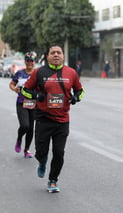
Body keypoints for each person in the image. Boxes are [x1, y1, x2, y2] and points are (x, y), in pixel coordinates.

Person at [21, 45, 84, 193]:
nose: (56, 55)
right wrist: (37, 96)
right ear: (48, 56)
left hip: (62, 121)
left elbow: (80, 91)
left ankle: (53, 180)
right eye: (52, 53)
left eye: (59, 52)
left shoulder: (71, 73)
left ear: (63, 56)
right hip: (43, 119)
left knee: (59, 152)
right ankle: (42, 162)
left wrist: (76, 98)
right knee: (40, 151)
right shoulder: (39, 72)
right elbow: (25, 90)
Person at [9, 52, 37, 158]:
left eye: (32, 61)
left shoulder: (37, 74)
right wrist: (14, 88)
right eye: (28, 61)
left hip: (34, 104)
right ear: (25, 62)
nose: (30, 63)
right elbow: (12, 84)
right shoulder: (20, 73)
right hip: (21, 102)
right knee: (25, 125)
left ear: (34, 62)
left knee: (30, 128)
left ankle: (27, 150)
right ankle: (19, 138)